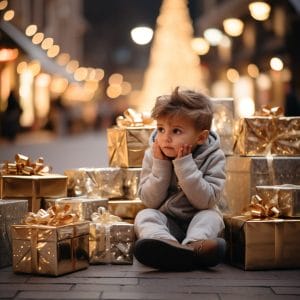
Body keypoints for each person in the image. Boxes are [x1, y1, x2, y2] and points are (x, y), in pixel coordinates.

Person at [134, 86, 227, 271]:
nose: (166, 138)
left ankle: (194, 246)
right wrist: (161, 167)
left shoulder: (214, 156)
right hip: (168, 223)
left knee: (211, 217)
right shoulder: (154, 154)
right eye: (161, 129)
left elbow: (206, 201)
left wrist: (185, 165)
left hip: (198, 220)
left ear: (201, 137)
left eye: (176, 131)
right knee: (145, 215)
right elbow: (149, 201)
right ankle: (165, 246)